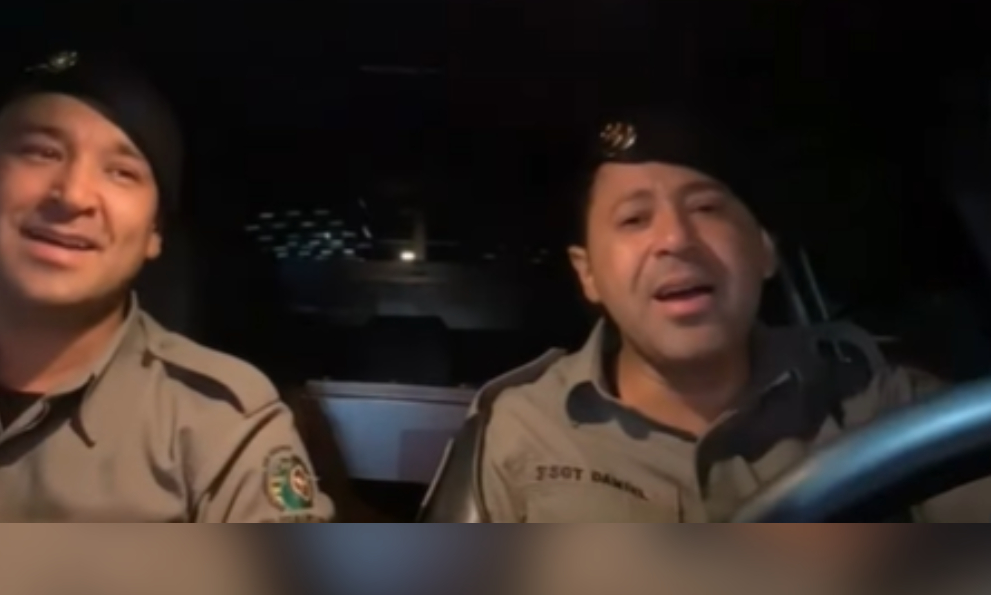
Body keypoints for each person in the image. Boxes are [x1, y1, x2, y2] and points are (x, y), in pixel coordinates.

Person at [0, 55, 334, 522]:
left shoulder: (220, 429)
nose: (73, 195)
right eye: (40, 152)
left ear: (154, 233)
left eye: (121, 172)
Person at [423, 106, 990, 522]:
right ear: (587, 273)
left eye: (706, 207)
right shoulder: (523, 428)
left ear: (764, 251)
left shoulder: (887, 407)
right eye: (634, 219)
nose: (676, 239)